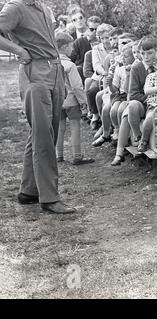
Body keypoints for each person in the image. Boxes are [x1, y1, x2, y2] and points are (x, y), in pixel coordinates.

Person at [0, 0, 76, 214]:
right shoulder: (14, 7)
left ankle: (29, 191)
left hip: (54, 70)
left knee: (43, 134)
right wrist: (18, 50)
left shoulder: (44, 8)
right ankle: (50, 198)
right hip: (36, 72)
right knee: (43, 134)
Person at [110, 36, 157, 166]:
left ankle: (124, 151)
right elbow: (133, 94)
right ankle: (133, 140)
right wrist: (150, 99)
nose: (146, 57)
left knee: (128, 113)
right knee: (131, 108)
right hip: (142, 102)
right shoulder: (137, 68)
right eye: (143, 54)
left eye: (150, 53)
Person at [55, 32, 95, 166]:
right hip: (71, 101)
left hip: (58, 101)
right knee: (75, 127)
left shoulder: (52, 63)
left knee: (59, 128)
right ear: (65, 47)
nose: (73, 49)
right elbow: (77, 86)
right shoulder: (70, 66)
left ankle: (58, 155)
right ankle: (77, 156)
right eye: (71, 46)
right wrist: (83, 102)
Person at [69, 15, 101, 82]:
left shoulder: (103, 42)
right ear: (87, 29)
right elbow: (71, 59)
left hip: (99, 70)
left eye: (97, 29)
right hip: (83, 72)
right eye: (92, 29)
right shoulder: (79, 42)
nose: (94, 32)